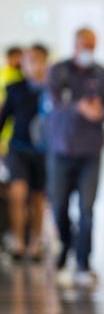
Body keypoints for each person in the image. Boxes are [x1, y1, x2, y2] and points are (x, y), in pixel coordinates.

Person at [47, 28, 104, 286]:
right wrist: (78, 107)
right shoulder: (59, 71)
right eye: (84, 45)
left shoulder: (102, 74)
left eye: (92, 46)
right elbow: (53, 102)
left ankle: (84, 263)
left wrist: (100, 112)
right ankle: (67, 244)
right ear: (75, 44)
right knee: (59, 206)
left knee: (87, 210)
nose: (88, 50)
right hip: (61, 150)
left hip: (90, 152)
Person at [0, 44, 50, 260]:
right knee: (18, 193)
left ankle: (35, 242)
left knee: (38, 198)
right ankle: (18, 241)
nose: (34, 65)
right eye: (29, 60)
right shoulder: (15, 88)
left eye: (38, 60)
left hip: (42, 151)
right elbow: (4, 118)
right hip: (18, 148)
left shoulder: (52, 89)